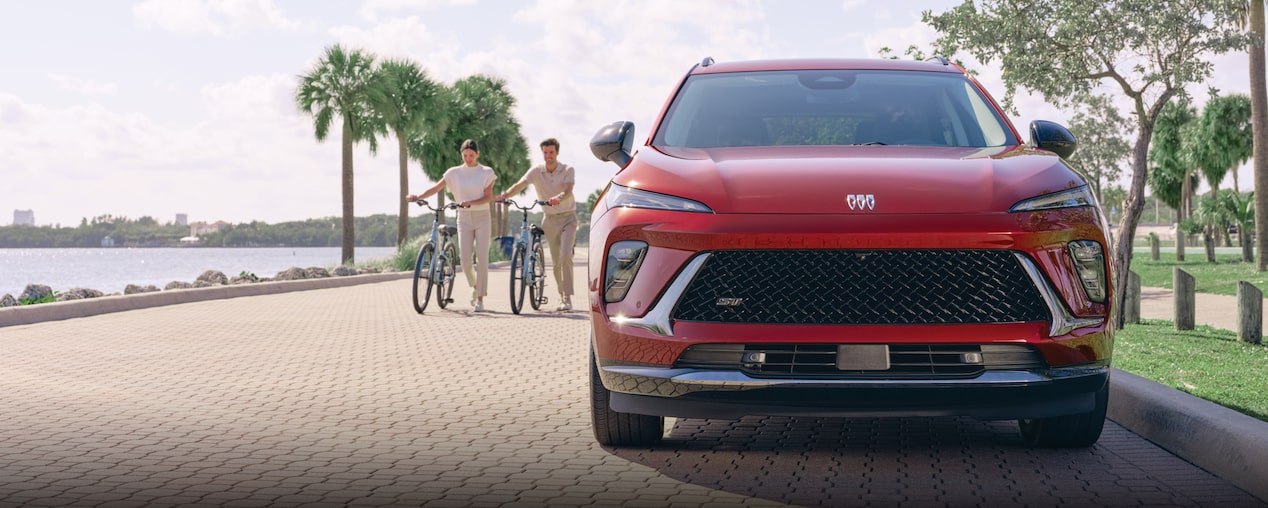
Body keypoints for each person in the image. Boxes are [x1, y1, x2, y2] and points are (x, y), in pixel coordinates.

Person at [407, 139, 496, 312]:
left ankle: (480, 299)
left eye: (471, 155)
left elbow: (487, 197)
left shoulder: (486, 172)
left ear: (478, 154)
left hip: (482, 216)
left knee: (482, 259)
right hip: (463, 217)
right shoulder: (454, 173)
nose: (468, 158)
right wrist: (418, 196)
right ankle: (475, 286)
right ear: (461, 155)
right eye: (465, 155)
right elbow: (436, 188)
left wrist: (470, 202)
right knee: (464, 260)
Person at [496, 138, 577, 311]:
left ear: (557, 153)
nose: (548, 156)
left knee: (565, 255)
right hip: (549, 219)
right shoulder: (536, 171)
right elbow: (520, 185)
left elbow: (569, 190)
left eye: (551, 152)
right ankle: (562, 295)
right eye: (545, 153)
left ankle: (568, 297)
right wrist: (505, 196)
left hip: (568, 218)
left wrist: (559, 197)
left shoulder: (568, 169)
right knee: (555, 262)